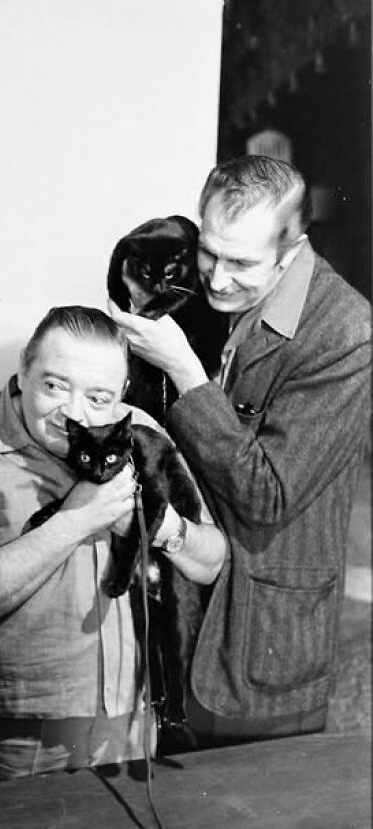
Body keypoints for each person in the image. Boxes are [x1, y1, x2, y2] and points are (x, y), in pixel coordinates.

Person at [108, 155, 371, 746]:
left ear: (292, 248)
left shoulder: (346, 332)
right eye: (210, 252)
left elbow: (266, 494)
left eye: (242, 263)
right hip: (179, 596)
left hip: (259, 637)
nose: (217, 280)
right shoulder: (204, 287)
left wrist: (182, 369)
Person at [0, 305, 226, 782]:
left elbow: (210, 560)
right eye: (55, 385)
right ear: (23, 368)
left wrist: (163, 530)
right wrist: (78, 519)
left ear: (122, 394)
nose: (74, 413)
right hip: (17, 737)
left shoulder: (136, 427)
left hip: (134, 721)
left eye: (99, 398)